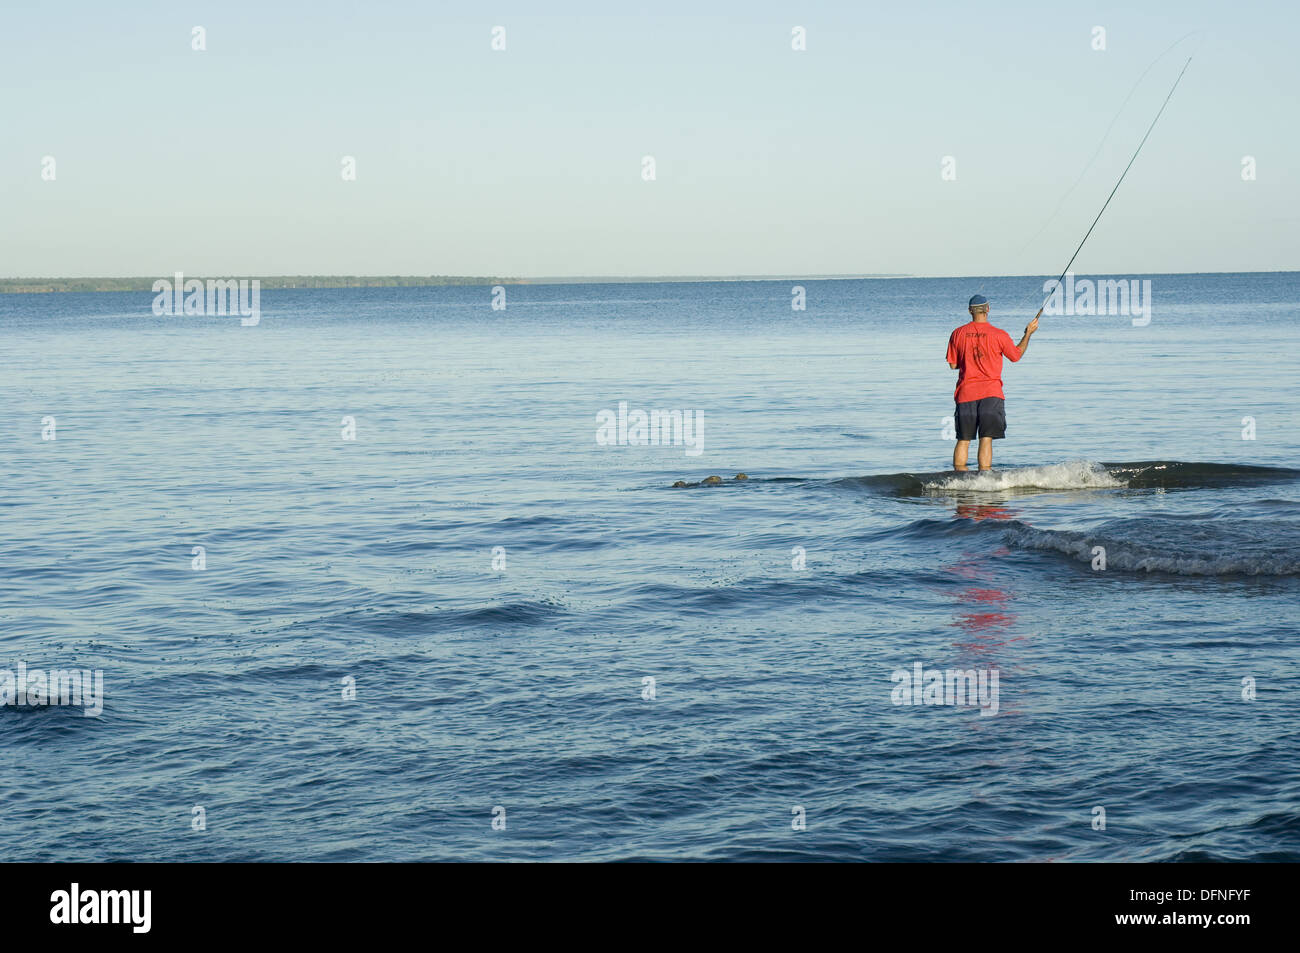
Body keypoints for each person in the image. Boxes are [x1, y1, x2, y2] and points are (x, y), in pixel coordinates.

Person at [945, 295, 1038, 471]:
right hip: (991, 394)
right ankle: (984, 481)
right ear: (988, 309)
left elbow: (953, 364)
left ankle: (958, 481)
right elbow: (1016, 356)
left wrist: (969, 361)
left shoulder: (957, 333)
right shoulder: (999, 334)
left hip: (966, 394)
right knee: (986, 438)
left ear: (969, 311)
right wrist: (1028, 334)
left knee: (963, 440)